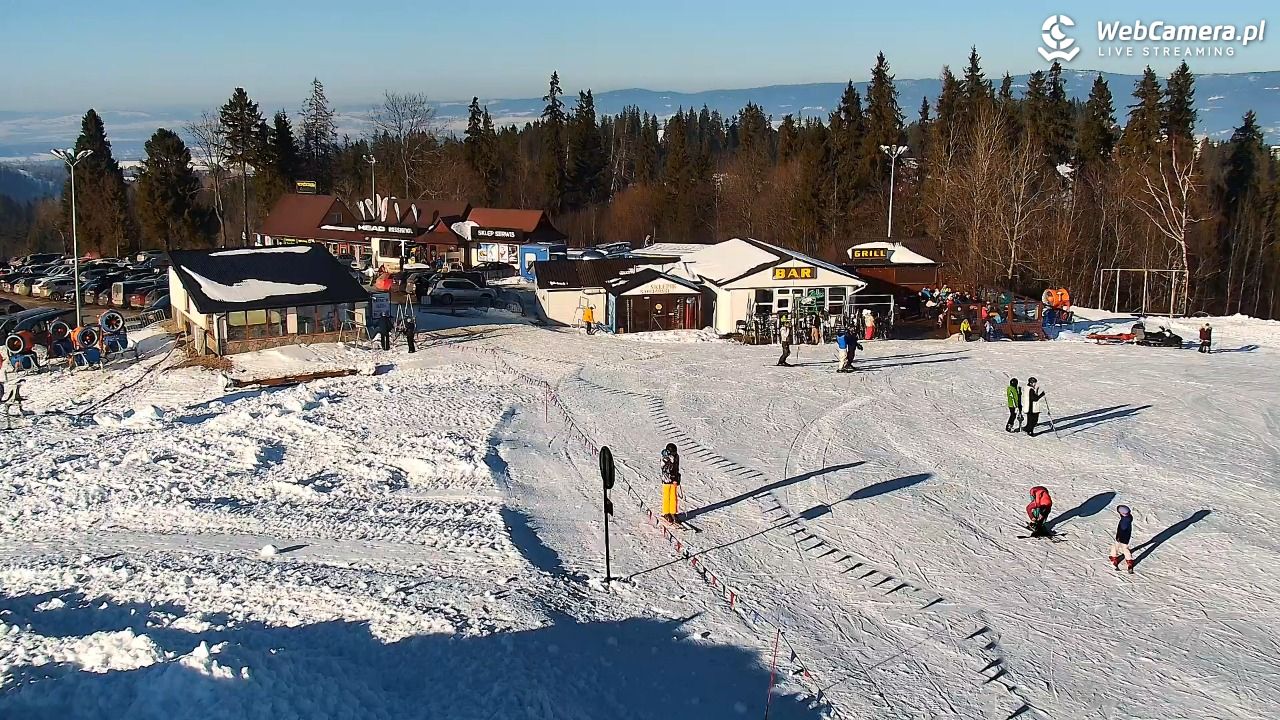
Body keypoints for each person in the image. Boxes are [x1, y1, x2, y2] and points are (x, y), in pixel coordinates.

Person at [1110, 505, 1135, 573]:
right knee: (1125, 548)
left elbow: (1122, 530)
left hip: (1122, 537)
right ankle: (1129, 561)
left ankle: (1113, 557)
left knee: (1117, 546)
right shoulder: (1129, 517)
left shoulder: (1124, 522)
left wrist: (1119, 537)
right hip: (1126, 537)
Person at [661, 443, 681, 522]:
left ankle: (673, 512)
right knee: (667, 496)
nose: (674, 454)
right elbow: (665, 469)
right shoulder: (664, 458)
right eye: (673, 453)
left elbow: (677, 467)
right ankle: (666, 512)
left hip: (674, 480)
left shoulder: (676, 456)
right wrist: (671, 462)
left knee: (674, 496)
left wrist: (677, 477)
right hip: (667, 480)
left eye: (675, 452)